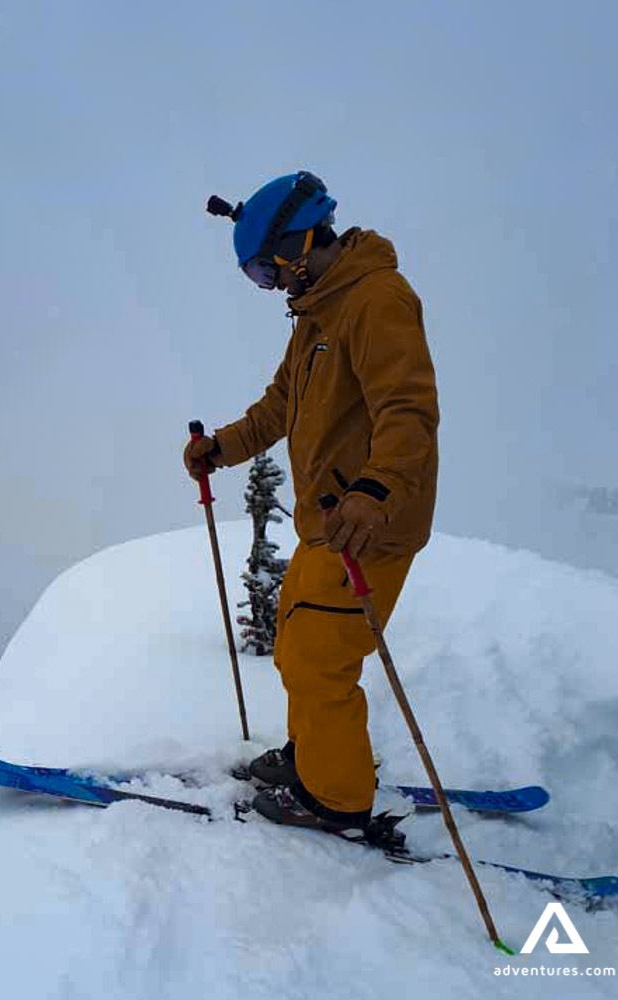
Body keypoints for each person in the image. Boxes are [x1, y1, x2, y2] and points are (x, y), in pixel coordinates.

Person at [185, 171, 439, 835]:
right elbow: (280, 406)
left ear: (298, 247)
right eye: (258, 279)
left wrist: (376, 488)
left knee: (323, 660)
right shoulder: (317, 314)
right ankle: (314, 757)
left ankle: (338, 799)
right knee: (299, 648)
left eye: (266, 273)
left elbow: (407, 407)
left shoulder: (376, 299)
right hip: (327, 520)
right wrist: (223, 447)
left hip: (369, 524)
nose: (270, 289)